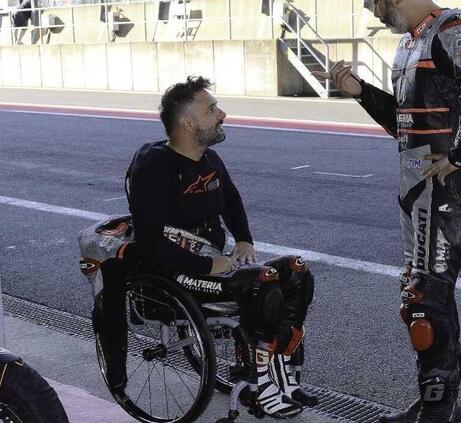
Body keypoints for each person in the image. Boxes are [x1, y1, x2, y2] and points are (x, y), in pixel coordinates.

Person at [316, 1, 461, 422]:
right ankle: (440, 402)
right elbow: (405, 124)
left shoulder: (454, 29)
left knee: (424, 298)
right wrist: (362, 93)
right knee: (425, 294)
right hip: (418, 189)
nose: (371, 8)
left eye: (375, 1)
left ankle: (437, 409)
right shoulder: (411, 42)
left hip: (448, 192)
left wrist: (456, 158)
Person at [99, 76, 317, 418]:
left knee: (296, 271)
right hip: (173, 272)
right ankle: (258, 385)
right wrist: (207, 266)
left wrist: (243, 238)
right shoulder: (154, 166)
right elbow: (152, 241)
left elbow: (231, 200)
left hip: (210, 263)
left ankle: (282, 374)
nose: (222, 114)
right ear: (188, 124)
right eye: (212, 109)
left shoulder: (210, 159)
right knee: (262, 283)